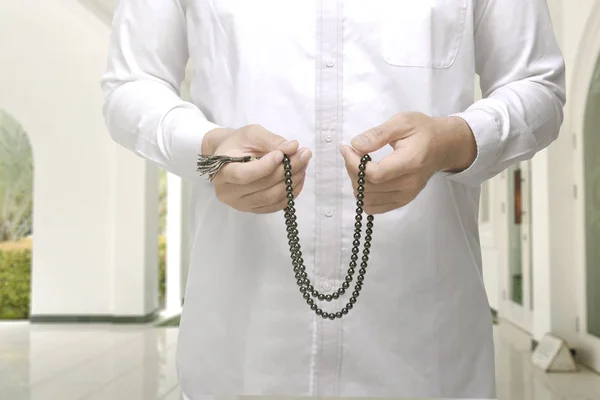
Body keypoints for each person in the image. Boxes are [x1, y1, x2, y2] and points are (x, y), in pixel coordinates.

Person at [100, 0, 565, 398]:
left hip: (426, 356)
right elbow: (130, 87)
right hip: (240, 356)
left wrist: (454, 139)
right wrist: (206, 152)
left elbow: (538, 85)